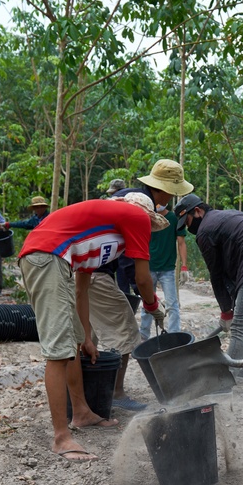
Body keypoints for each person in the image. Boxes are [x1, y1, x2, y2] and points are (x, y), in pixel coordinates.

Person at [18, 195, 168, 461]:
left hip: (49, 258)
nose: (148, 232)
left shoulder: (98, 237)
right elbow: (142, 279)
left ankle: (81, 413)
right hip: (47, 258)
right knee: (58, 350)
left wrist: (86, 336)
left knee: (73, 343)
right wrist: (153, 306)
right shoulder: (135, 216)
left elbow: (81, 288)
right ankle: (61, 438)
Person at [93, 159, 193, 411]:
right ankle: (116, 393)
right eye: (172, 192)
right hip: (93, 270)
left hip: (78, 264)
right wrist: (151, 303)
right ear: (164, 188)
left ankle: (88, 393)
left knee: (88, 333)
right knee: (126, 330)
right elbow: (137, 269)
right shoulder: (139, 206)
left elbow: (125, 258)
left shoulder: (127, 196)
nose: (171, 197)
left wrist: (137, 293)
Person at [176, 193, 243, 385]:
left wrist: (226, 311)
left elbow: (216, 274)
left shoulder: (205, 231)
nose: (188, 227)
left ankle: (227, 379)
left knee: (241, 327)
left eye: (188, 221)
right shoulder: (230, 215)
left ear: (198, 211)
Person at [139, 203, 188, 340]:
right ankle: (143, 336)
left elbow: (181, 242)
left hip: (167, 269)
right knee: (147, 303)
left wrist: (184, 266)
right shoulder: (147, 218)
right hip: (149, 267)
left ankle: (174, 336)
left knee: (172, 304)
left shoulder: (174, 219)